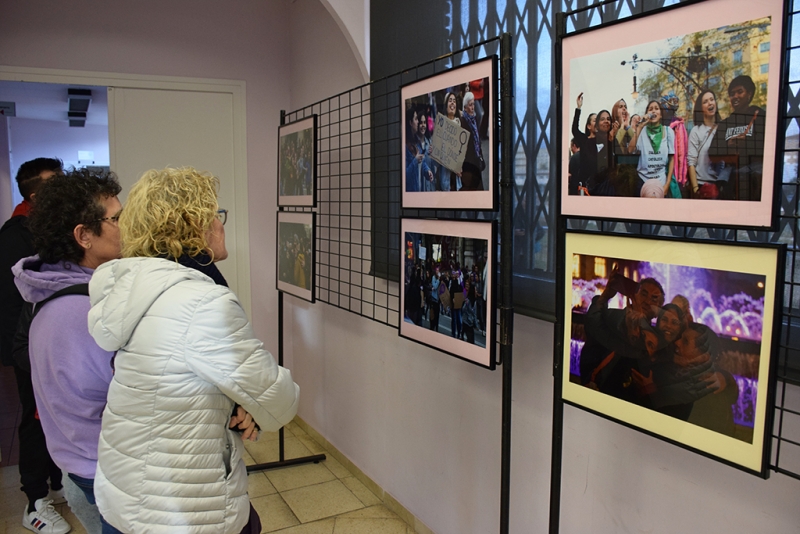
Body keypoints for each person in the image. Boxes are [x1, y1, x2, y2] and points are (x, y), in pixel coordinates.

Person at [86, 167, 300, 533]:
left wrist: (242, 400)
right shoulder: (201, 302)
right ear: (193, 226)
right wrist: (253, 401)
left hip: (128, 494)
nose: (221, 224)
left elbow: (180, 371)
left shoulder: (133, 286)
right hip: (177, 510)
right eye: (216, 215)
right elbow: (279, 401)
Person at [13, 169, 124, 534]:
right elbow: (127, 395)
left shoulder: (53, 290)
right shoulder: (86, 310)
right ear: (84, 235)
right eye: (117, 219)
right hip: (105, 465)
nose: (127, 227)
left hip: (79, 458)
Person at [0, 157, 72, 534]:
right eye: (53, 182)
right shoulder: (16, 235)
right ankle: (34, 502)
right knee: (34, 418)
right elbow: (18, 303)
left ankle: (55, 485)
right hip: (30, 347)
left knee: (56, 413)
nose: (61, 187)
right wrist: (26, 354)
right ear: (33, 193)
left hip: (54, 342)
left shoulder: (49, 228)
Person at [708, 75, 766, 201]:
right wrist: (729, 145)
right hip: (730, 180)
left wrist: (746, 143)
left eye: (740, 92)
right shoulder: (726, 123)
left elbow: (768, 147)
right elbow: (712, 151)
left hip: (754, 179)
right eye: (732, 94)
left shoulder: (760, 116)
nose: (735, 97)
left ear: (749, 94)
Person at [571, 93, 615, 195]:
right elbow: (574, 129)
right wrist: (578, 108)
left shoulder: (604, 141)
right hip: (585, 186)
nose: (598, 122)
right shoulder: (584, 140)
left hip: (600, 186)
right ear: (589, 126)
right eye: (595, 120)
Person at [629, 100, 675, 197]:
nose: (653, 111)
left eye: (656, 109)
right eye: (650, 109)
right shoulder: (642, 131)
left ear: (661, 115)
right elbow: (630, 150)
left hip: (661, 183)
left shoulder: (668, 131)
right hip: (642, 181)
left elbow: (671, 159)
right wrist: (640, 126)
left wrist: (667, 184)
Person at [687, 89, 724, 199]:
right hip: (702, 186)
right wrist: (696, 190)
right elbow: (691, 162)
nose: (710, 103)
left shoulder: (723, 128)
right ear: (701, 108)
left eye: (712, 100)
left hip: (721, 186)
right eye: (705, 101)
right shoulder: (696, 131)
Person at [459, 92, 486, 191]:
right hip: (469, 165)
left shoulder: (474, 120)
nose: (473, 107)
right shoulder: (463, 122)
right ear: (465, 107)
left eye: (473, 104)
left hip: (476, 161)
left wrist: (481, 156)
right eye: (470, 105)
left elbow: (477, 141)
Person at [405, 106, 433, 192]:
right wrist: (415, 161)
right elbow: (405, 175)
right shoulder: (405, 146)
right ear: (410, 122)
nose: (418, 122)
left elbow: (422, 162)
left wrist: (427, 171)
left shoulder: (417, 143)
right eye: (416, 119)